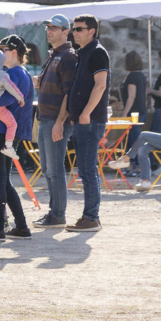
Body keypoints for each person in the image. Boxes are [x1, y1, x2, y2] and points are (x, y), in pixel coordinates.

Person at [0, 35, 35, 241]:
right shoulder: (18, 72)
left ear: (13, 52)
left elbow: (9, 98)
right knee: (4, 180)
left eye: (3, 49)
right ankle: (21, 227)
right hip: (7, 131)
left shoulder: (14, 73)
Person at [32, 15, 79, 229]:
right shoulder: (53, 54)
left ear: (65, 31)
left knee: (55, 169)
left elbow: (69, 93)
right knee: (47, 169)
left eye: (54, 28)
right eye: (48, 27)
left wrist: (61, 121)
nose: (49, 31)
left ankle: (58, 214)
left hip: (55, 120)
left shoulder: (68, 56)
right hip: (45, 118)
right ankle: (54, 213)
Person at [65, 15, 111, 233]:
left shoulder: (97, 52)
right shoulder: (84, 53)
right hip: (83, 119)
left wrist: (85, 113)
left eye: (79, 29)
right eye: (74, 29)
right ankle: (90, 216)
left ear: (92, 31)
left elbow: (100, 86)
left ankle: (91, 217)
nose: (75, 32)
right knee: (85, 169)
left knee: (87, 170)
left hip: (90, 120)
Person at [120, 51, 149, 155]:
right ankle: (133, 165)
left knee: (133, 141)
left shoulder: (131, 77)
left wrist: (124, 113)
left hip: (134, 113)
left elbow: (131, 96)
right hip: (141, 111)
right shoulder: (141, 75)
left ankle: (135, 165)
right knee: (135, 140)